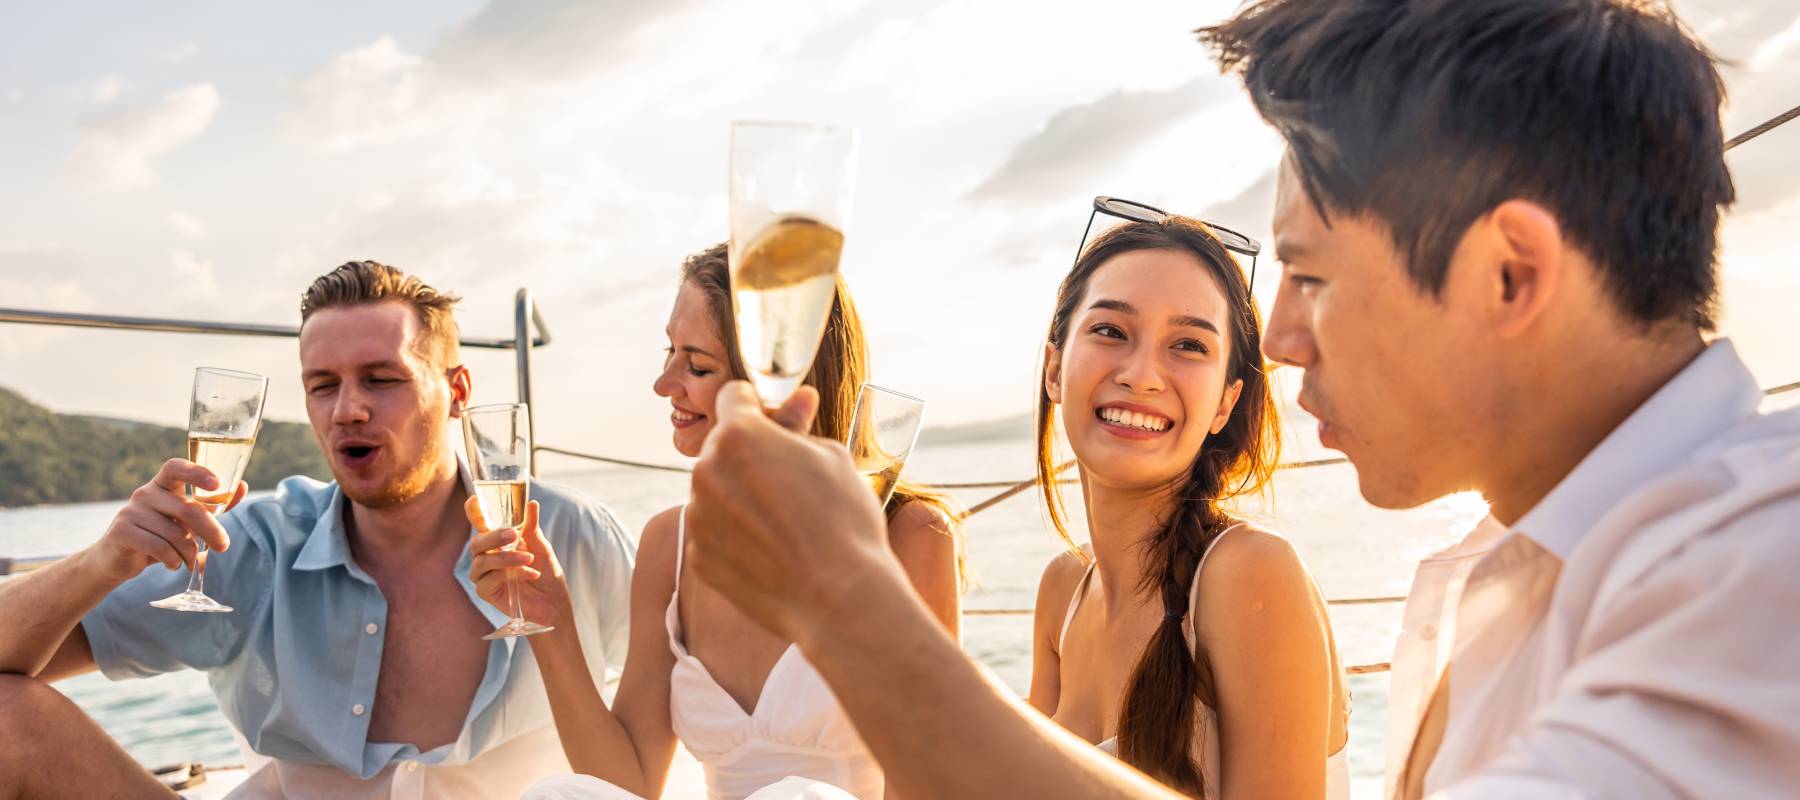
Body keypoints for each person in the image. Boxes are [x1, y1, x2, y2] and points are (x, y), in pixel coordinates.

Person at [679, 1, 1800, 798]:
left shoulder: (1761, 575)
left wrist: (843, 599)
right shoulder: (1514, 575)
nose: (1291, 333)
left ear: (1511, 272)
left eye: (1309, 273)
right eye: (1108, 329)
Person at [0, 261, 636, 799]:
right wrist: (102, 562)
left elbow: (649, 755)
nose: (346, 410)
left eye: (381, 380)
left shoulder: (571, 538)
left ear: (457, 390)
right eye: (322, 386)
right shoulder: (250, 545)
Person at [468, 243, 963, 800]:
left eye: (697, 364)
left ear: (776, 387)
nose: (664, 383)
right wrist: (551, 617)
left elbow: (932, 777)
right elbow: (627, 784)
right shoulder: (668, 544)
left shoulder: (909, 536)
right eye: (669, 351)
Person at [1028, 216, 1349, 798]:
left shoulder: (1249, 574)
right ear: (1055, 369)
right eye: (1110, 331)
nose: (1141, 375)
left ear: (1227, 402)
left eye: (1188, 346)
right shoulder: (1062, 593)